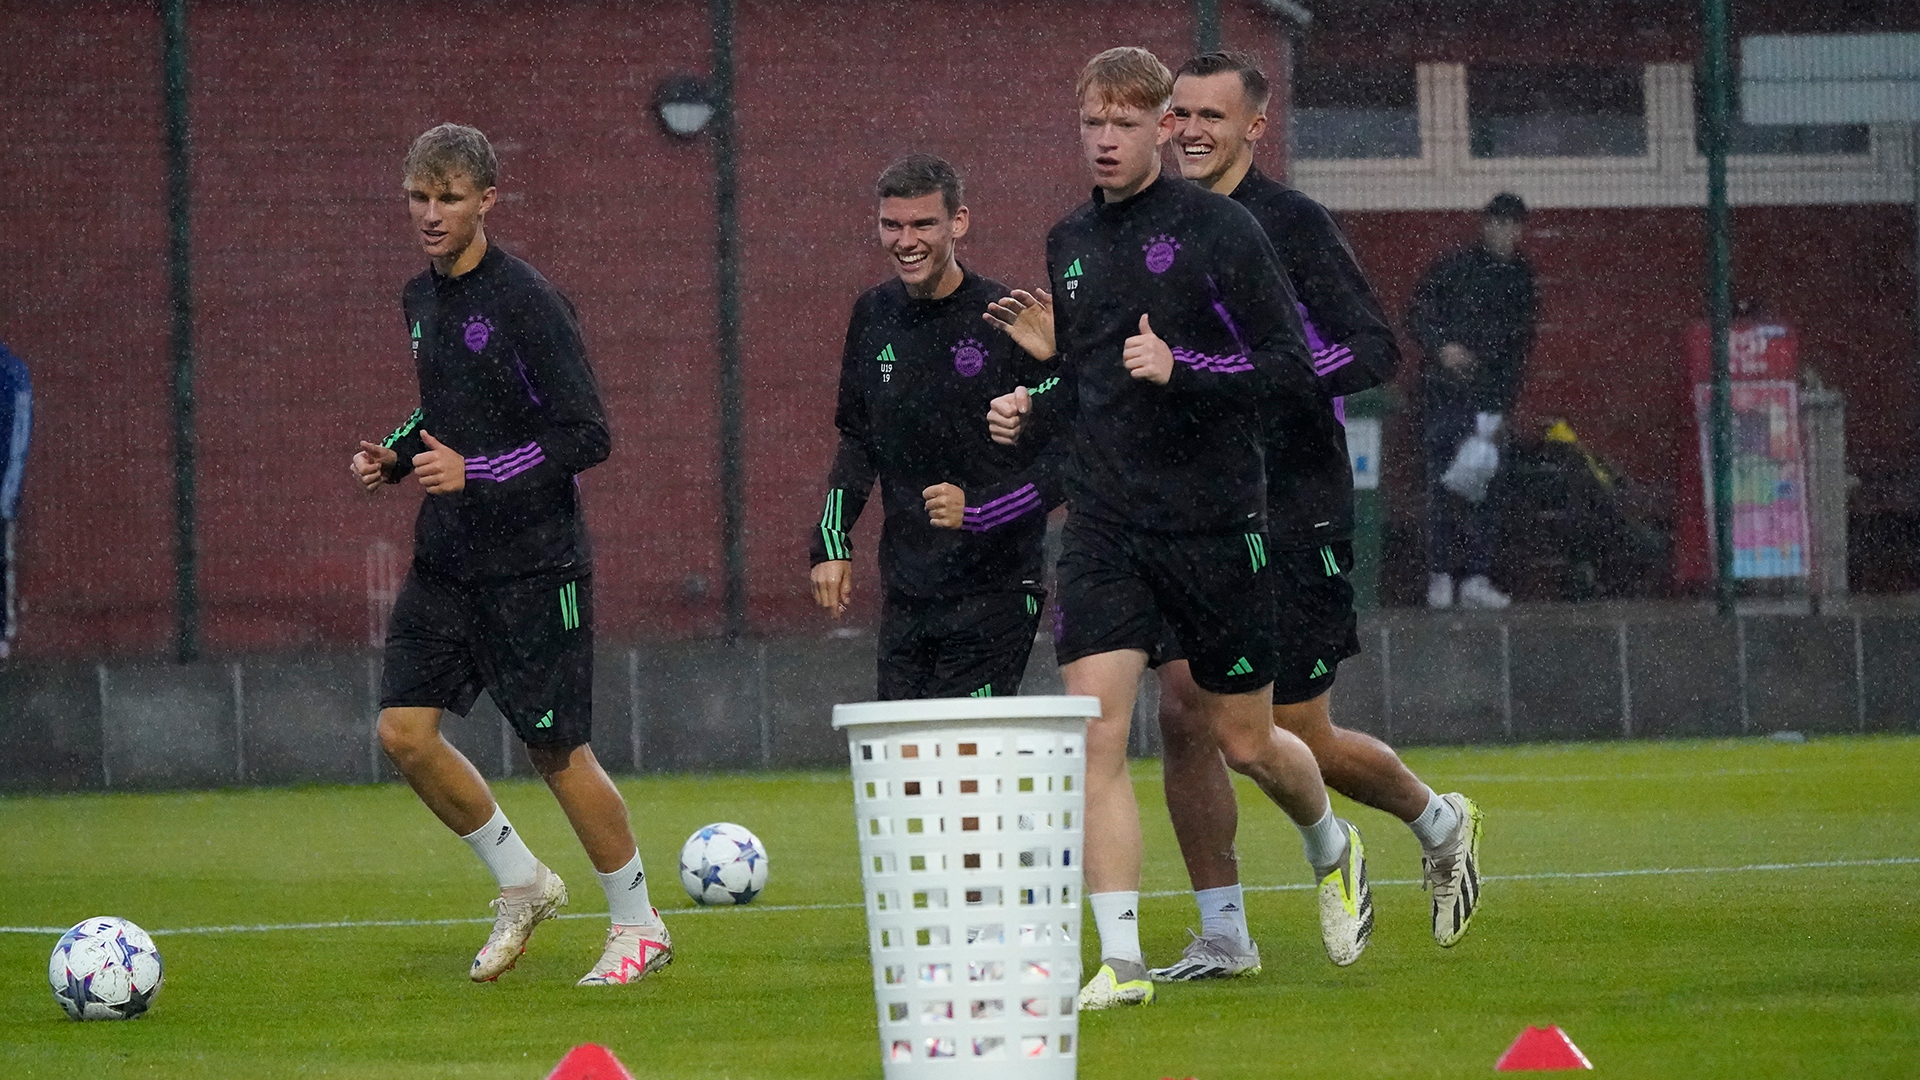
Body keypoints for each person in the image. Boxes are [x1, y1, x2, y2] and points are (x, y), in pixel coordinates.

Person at [988, 47, 1370, 1010]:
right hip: (1108, 528)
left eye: (1125, 123)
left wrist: (1184, 369)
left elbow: (1289, 371)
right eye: (1092, 123)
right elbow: (1092, 386)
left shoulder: (1226, 229)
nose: (1106, 140)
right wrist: (1037, 390)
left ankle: (1331, 841)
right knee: (1098, 736)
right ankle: (1119, 960)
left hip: (1217, 523)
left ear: (1163, 128)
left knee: (1248, 741)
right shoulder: (1067, 238)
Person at [1142, 52, 1482, 983]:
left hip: (1294, 506)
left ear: (1256, 126)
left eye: (1214, 115)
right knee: (1182, 711)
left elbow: (1374, 348)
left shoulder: (1293, 225)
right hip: (1194, 506)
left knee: (1298, 735)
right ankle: (1223, 934)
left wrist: (1263, 380)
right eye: (1181, 114)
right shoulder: (1152, 227)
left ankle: (1437, 820)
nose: (1194, 130)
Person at [350, 123, 668, 987]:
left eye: (448, 197)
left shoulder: (527, 300)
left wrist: (476, 470)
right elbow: (449, 413)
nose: (430, 213)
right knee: (403, 732)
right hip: (448, 559)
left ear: (487, 200)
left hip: (535, 565)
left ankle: (639, 925)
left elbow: (586, 434)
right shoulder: (420, 298)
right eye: (418, 196)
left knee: (555, 749)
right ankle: (521, 880)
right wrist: (397, 452)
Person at [808, 154, 1064, 699]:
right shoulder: (872, 314)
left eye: (923, 224)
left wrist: (976, 511)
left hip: (995, 586)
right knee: (907, 771)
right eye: (891, 225)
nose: (906, 240)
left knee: (966, 766)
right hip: (907, 589)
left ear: (959, 223)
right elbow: (857, 439)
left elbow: (1066, 456)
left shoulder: (1007, 317)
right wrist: (831, 541)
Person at [1407, 192, 1538, 609]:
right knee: (1444, 486)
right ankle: (1442, 575)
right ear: (1486, 226)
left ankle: (1476, 577)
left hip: (1490, 400)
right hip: (1447, 395)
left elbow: (1519, 349)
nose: (1503, 233)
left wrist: (1504, 407)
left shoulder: (1521, 280)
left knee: (1486, 490)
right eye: (1497, 224)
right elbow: (1417, 313)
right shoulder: (1454, 268)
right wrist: (1442, 347)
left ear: (1520, 231)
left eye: (1511, 226)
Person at [0, 340, 29, 659]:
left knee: (2, 557)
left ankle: (3, 630)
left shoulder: (9, 374)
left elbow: (17, 437)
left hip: (2, 488)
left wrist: (8, 491)